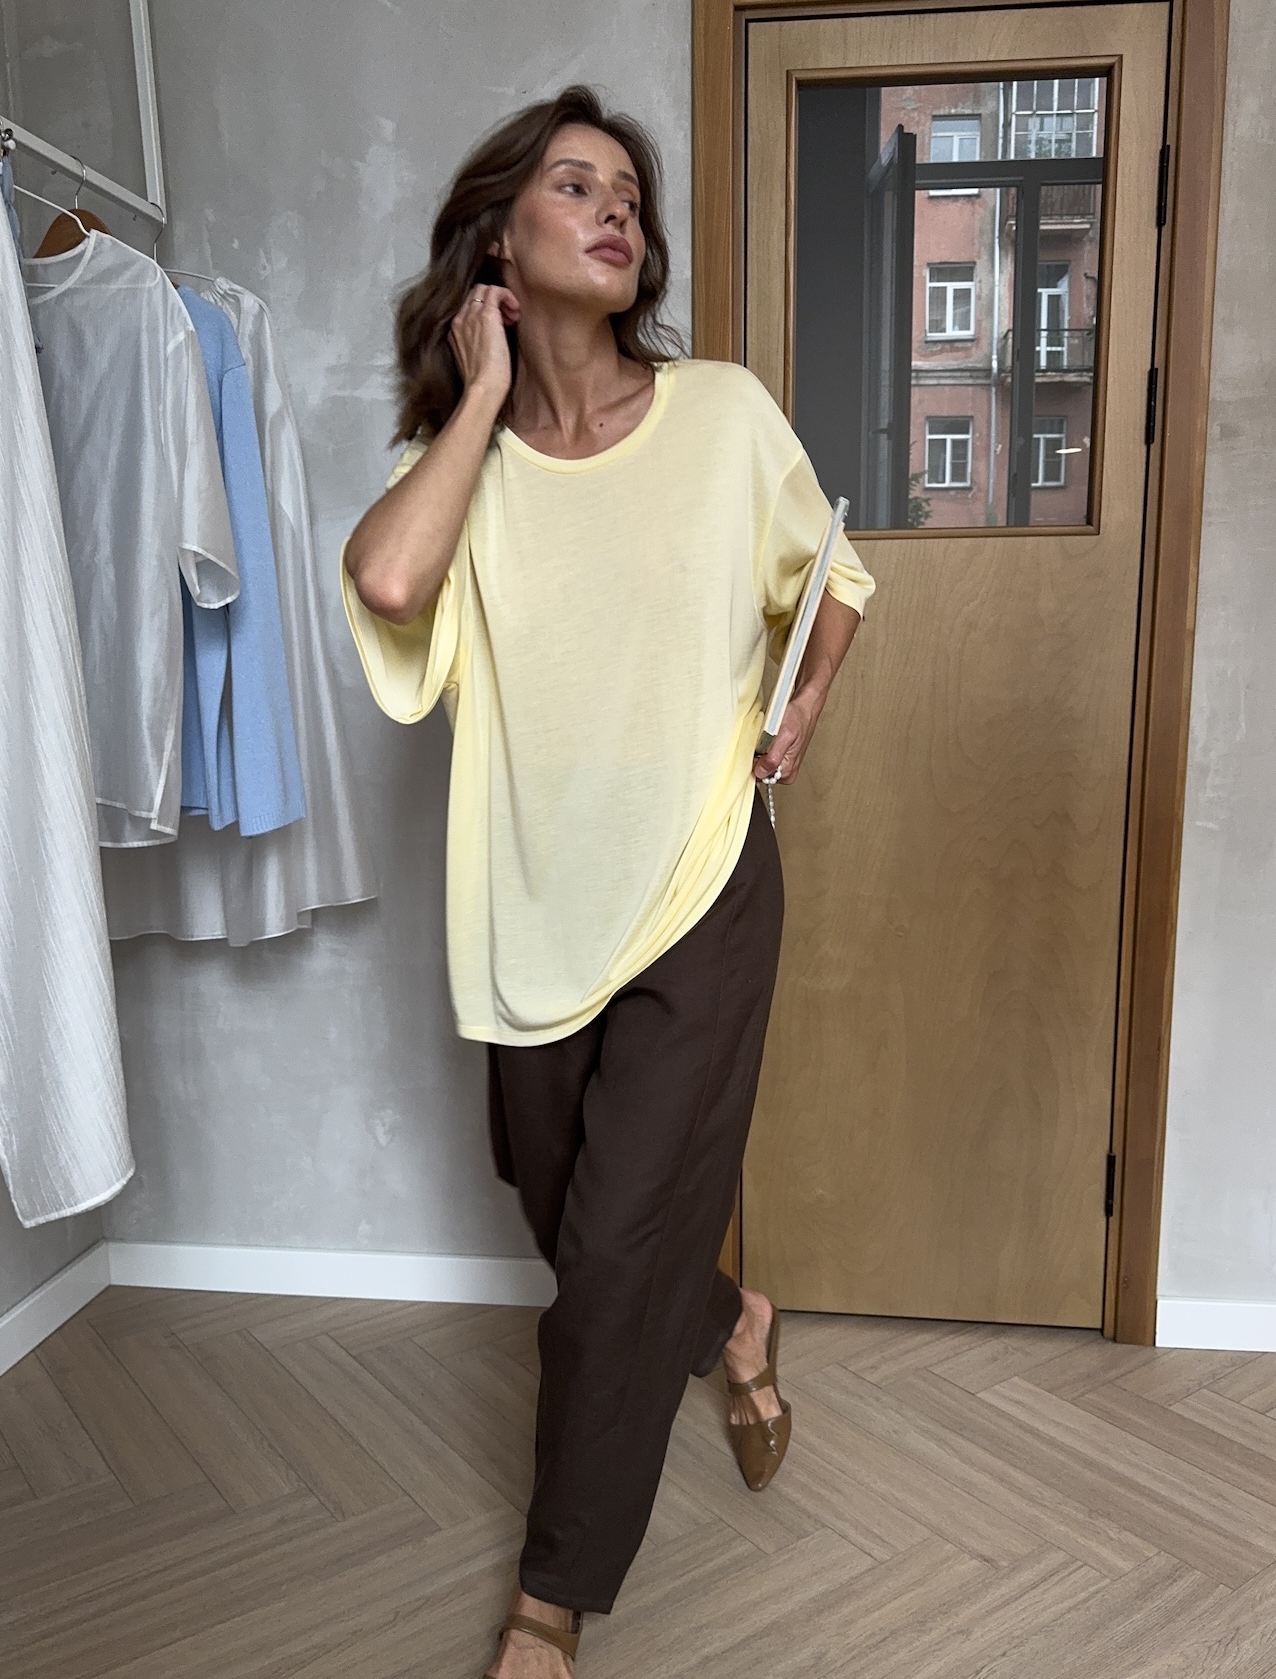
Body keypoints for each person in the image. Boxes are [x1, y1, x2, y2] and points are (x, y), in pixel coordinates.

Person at [342, 84, 874, 1679]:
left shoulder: (721, 416)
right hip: (530, 917)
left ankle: (550, 1605)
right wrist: (482, 393)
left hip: (703, 889)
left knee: (608, 1267)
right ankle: (733, 1321)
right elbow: (389, 579)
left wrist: (807, 696)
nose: (617, 207)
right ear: (499, 242)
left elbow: (835, 574)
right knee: (562, 1206)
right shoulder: (463, 468)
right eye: (575, 185)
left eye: (629, 191)